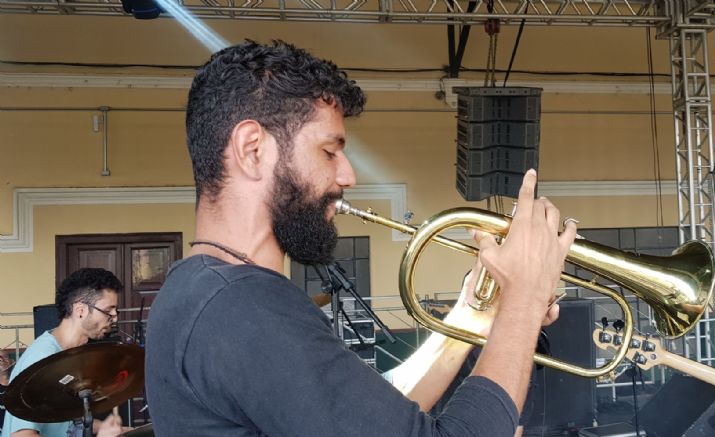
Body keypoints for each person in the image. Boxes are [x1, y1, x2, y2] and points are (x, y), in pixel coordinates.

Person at [144, 40, 575, 436]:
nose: (348, 175)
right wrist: (524, 299)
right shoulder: (243, 306)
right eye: (329, 151)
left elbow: (383, 415)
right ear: (252, 149)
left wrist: (473, 317)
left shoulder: (197, 292)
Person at [1, 268, 127, 437]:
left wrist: (102, 427)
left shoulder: (71, 354)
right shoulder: (42, 358)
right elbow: (22, 436)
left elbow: (63, 421)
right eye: (108, 311)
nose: (114, 317)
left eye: (115, 311)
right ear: (80, 310)